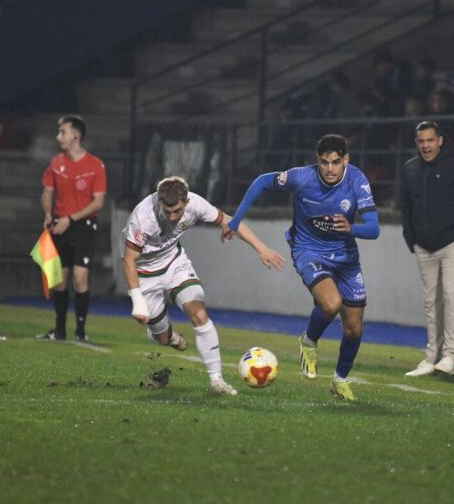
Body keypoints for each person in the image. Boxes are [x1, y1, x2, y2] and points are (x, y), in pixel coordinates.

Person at [225, 134, 380, 402]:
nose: (330, 168)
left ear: (346, 160)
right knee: (331, 304)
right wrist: (236, 221)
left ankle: (340, 381)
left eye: (335, 162)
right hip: (309, 250)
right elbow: (263, 181)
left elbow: (374, 228)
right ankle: (309, 341)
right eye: (324, 162)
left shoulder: (357, 180)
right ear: (317, 161)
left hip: (346, 258)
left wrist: (351, 228)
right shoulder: (301, 177)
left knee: (354, 328)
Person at [122, 176, 285, 396]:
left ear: (186, 202)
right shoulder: (143, 217)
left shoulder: (196, 204)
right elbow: (129, 260)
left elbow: (230, 221)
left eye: (177, 211)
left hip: (174, 263)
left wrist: (261, 248)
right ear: (159, 202)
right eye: (167, 211)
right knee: (161, 337)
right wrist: (138, 301)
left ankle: (216, 380)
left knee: (199, 313)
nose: (172, 217)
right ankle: (167, 336)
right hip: (144, 274)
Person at [400, 121, 454, 377]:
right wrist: (412, 239)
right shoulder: (410, 169)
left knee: (451, 295)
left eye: (430, 140)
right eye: (421, 141)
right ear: (417, 143)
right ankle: (431, 357)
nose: (426, 145)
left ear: (440, 140)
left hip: (453, 244)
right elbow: (405, 207)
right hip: (424, 246)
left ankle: (449, 356)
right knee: (431, 300)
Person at [38, 116, 106, 342]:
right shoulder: (56, 163)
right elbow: (47, 193)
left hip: (83, 227)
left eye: (63, 132)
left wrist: (70, 218)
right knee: (60, 279)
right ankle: (59, 330)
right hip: (60, 226)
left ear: (75, 136)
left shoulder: (95, 165)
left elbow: (98, 202)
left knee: (80, 278)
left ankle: (80, 332)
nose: (59, 137)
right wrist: (48, 214)